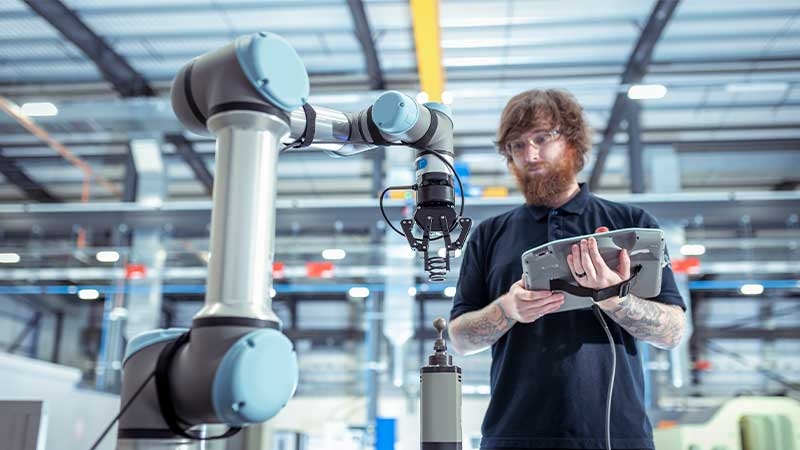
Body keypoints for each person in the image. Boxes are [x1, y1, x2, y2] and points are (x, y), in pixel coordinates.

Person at [448, 89, 687, 450]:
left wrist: (615, 299)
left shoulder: (631, 224)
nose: (530, 154)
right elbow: (461, 339)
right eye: (516, 145)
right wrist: (507, 310)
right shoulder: (489, 235)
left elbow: (672, 332)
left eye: (542, 138)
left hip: (614, 435)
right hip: (514, 437)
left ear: (573, 142)